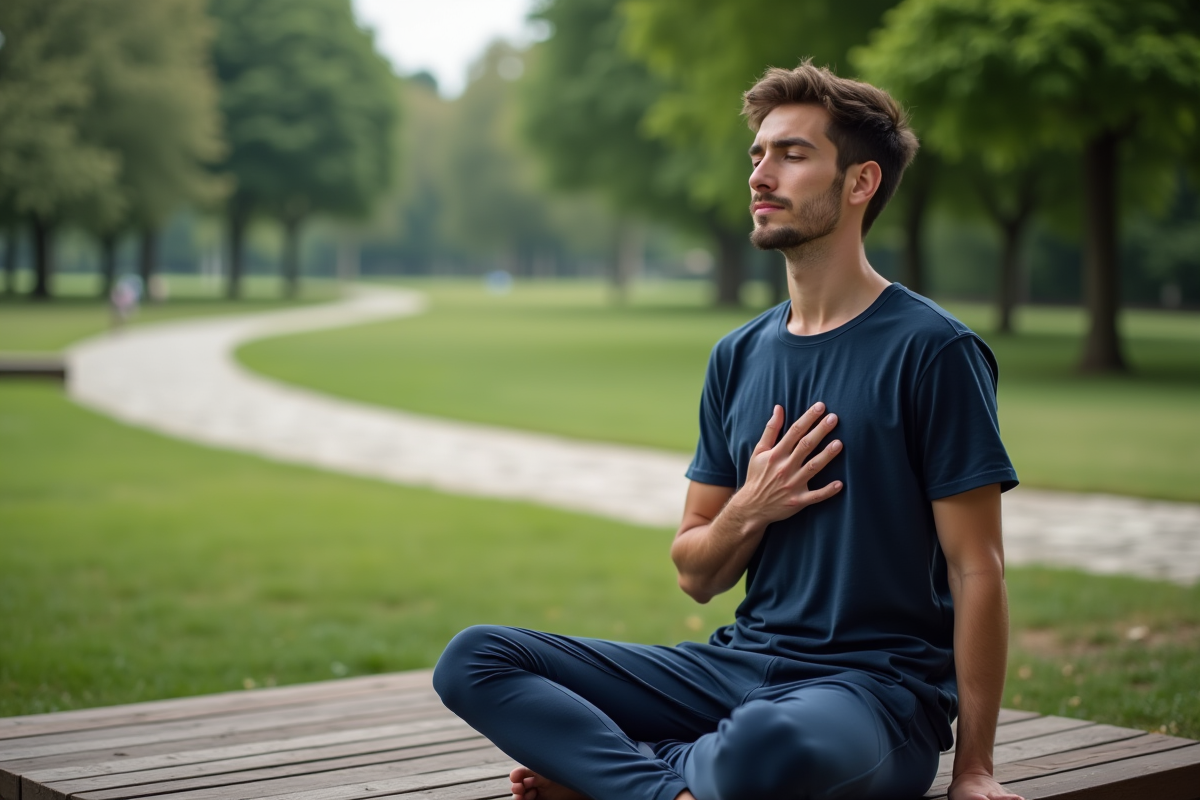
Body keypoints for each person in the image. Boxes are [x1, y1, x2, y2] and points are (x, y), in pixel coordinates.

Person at [433, 61, 1024, 800]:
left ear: (861, 183)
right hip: (733, 670)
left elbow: (979, 571)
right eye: (758, 154)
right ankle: (668, 785)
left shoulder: (934, 351)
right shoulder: (738, 355)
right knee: (475, 659)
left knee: (769, 744)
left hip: (869, 696)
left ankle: (629, 773)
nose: (761, 175)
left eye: (793, 154)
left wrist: (973, 769)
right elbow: (696, 571)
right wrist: (749, 509)